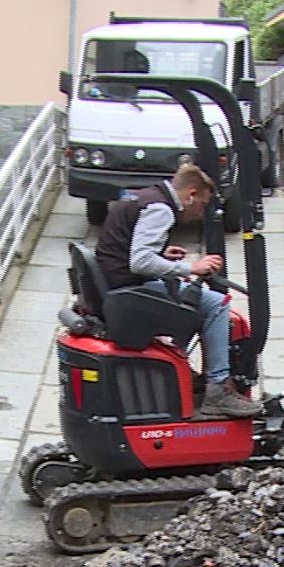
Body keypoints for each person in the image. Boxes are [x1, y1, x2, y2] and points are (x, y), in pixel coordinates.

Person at [94, 164, 262, 419]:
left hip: (118, 284)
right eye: (202, 205)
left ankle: (184, 373)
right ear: (191, 194)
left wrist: (164, 256)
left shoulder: (144, 197)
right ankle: (217, 390)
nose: (199, 213)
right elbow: (139, 262)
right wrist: (191, 267)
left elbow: (129, 248)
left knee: (190, 297)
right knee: (217, 304)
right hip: (130, 289)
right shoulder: (161, 209)